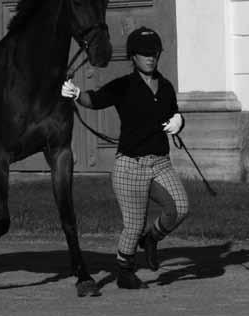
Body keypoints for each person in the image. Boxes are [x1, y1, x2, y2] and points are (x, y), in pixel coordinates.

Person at [61, 26, 189, 289]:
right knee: (133, 226)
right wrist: (75, 93)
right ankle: (125, 272)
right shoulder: (123, 86)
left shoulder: (165, 87)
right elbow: (95, 100)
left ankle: (152, 238)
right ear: (133, 56)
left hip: (161, 163)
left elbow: (173, 113)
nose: (150, 57)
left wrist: (180, 120)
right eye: (144, 53)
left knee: (180, 207)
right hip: (130, 166)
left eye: (154, 52)